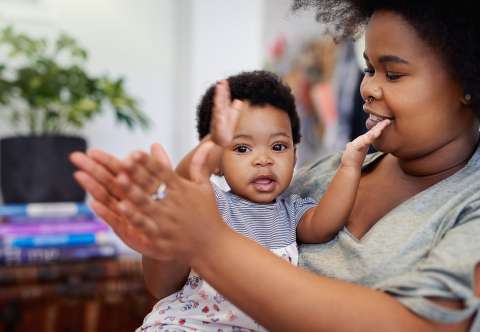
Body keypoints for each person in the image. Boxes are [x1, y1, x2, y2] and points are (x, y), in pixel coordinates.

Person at [70, 1, 480, 331]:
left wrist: (209, 242)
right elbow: (165, 286)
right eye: (370, 69)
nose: (368, 88)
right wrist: (169, 235)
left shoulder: (470, 203)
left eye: (393, 73)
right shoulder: (325, 173)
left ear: (466, 80)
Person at [72, 70, 388, 331]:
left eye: (278, 147)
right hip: (189, 325)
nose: (263, 160)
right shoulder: (213, 202)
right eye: (241, 149)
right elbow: (185, 182)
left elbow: (325, 224)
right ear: (217, 161)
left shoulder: (290, 213)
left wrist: (349, 166)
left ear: (295, 152)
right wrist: (210, 145)